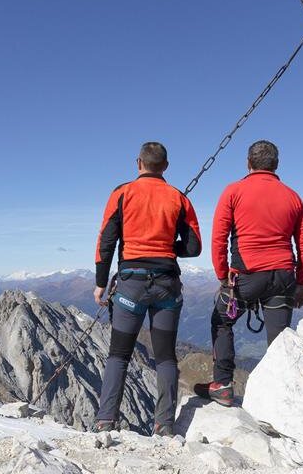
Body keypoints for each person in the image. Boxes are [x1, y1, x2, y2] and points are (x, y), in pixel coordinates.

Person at [93, 141, 202, 435]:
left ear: (138, 163)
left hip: (131, 285)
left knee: (119, 355)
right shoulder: (178, 198)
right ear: (165, 166)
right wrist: (168, 248)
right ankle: (164, 425)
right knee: (166, 356)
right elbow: (194, 247)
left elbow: (106, 242)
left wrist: (100, 283)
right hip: (167, 286)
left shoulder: (121, 193)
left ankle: (105, 420)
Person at [194, 140, 303, 407]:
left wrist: (222, 276)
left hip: (246, 277)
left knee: (221, 321)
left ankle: (223, 384)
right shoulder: (293, 196)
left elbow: (219, 238)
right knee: (279, 339)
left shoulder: (233, 191)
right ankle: (281, 398)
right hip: (283, 276)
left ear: (248, 163)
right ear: (276, 164)